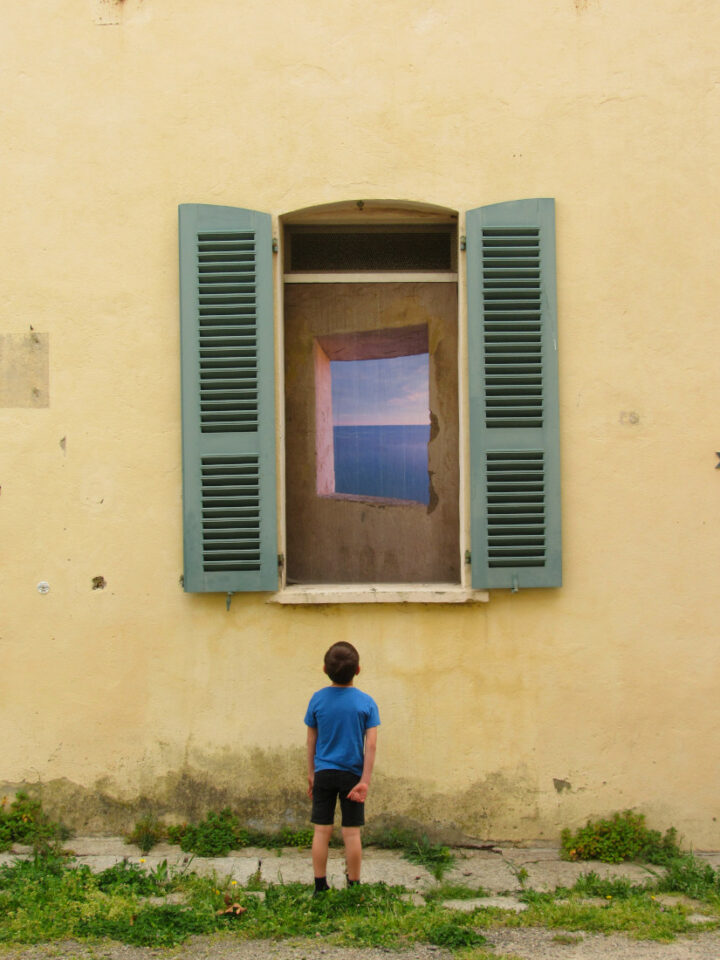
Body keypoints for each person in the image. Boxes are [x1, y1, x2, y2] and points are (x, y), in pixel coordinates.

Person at [304, 641, 380, 893]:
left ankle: (319, 885)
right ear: (358, 670)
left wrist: (311, 774)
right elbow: (370, 746)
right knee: (351, 833)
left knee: (321, 831)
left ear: (325, 668)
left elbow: (311, 740)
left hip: (324, 772)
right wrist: (365, 781)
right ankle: (354, 885)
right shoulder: (366, 703)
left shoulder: (317, 700)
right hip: (352, 775)